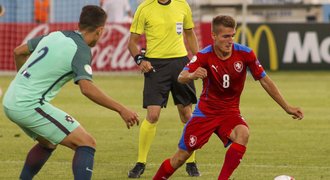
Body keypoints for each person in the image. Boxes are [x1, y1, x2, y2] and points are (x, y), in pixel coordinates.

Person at [153, 15, 304, 180]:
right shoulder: (204, 55)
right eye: (226, 36)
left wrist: (287, 107)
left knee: (243, 133)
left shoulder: (245, 54)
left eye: (233, 35)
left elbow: (265, 81)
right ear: (214, 36)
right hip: (206, 113)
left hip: (230, 113)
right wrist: (192, 75)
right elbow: (181, 76)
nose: (230, 40)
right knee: (180, 158)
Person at [2, 5, 139, 180]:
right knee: (87, 143)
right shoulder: (81, 49)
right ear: (100, 30)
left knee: (48, 143)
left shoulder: (56, 35)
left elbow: (18, 51)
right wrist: (121, 109)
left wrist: (24, 82)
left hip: (10, 98)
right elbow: (86, 88)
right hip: (27, 105)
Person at [127, 0, 200, 178]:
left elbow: (190, 34)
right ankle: (140, 162)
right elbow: (132, 43)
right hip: (155, 65)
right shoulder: (144, 8)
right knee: (153, 115)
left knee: (186, 114)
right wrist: (140, 60)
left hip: (180, 63)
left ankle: (191, 162)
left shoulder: (182, 5)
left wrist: (198, 59)